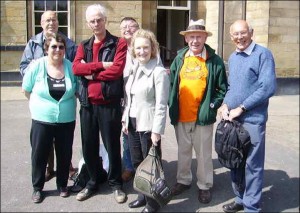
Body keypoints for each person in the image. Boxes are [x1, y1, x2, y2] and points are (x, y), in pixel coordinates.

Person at [218, 19, 276, 213]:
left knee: (252, 165)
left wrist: (241, 108)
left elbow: (267, 87)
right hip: (233, 120)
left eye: (243, 33)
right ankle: (240, 198)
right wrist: (225, 104)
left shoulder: (263, 55)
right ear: (231, 36)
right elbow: (232, 88)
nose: (239, 37)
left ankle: (252, 207)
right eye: (235, 34)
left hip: (253, 120)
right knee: (235, 161)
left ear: (251, 32)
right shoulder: (233, 57)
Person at [168, 19, 228, 204]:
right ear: (186, 39)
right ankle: (184, 181)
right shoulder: (179, 58)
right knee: (183, 152)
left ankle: (204, 185)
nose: (195, 40)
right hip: (182, 115)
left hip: (203, 116)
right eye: (191, 37)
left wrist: (212, 106)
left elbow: (222, 88)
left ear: (205, 38)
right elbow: (171, 84)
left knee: (203, 155)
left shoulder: (214, 60)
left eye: (199, 37)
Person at [72, 4, 127, 203]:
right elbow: (76, 68)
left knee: (112, 145)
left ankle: (116, 183)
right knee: (89, 146)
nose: (96, 24)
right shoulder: (83, 45)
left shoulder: (118, 43)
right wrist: (101, 65)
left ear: (106, 20)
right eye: (92, 21)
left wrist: (90, 72)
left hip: (108, 103)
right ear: (88, 23)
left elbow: (117, 70)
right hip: (87, 104)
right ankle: (93, 181)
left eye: (99, 19)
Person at [20, 10, 78, 182]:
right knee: (43, 142)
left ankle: (64, 168)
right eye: (47, 20)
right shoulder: (33, 43)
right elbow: (24, 66)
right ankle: (47, 168)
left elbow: (75, 67)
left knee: (62, 141)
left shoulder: (69, 43)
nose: (51, 23)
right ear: (41, 22)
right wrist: (33, 77)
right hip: (42, 98)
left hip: (64, 101)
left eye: (54, 19)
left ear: (58, 23)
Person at [122, 29, 170, 213]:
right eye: (138, 47)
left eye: (146, 48)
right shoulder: (134, 69)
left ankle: (153, 204)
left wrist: (157, 131)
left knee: (151, 167)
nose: (142, 51)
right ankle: (142, 195)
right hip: (133, 122)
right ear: (133, 49)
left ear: (153, 49)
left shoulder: (158, 72)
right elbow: (130, 98)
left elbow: (161, 104)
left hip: (149, 125)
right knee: (137, 162)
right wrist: (125, 119)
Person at [119, 17, 140, 182]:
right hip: (123, 100)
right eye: (124, 27)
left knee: (144, 135)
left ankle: (147, 167)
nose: (128, 29)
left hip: (142, 100)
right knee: (126, 135)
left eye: (131, 26)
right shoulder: (118, 49)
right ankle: (129, 166)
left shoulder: (145, 46)